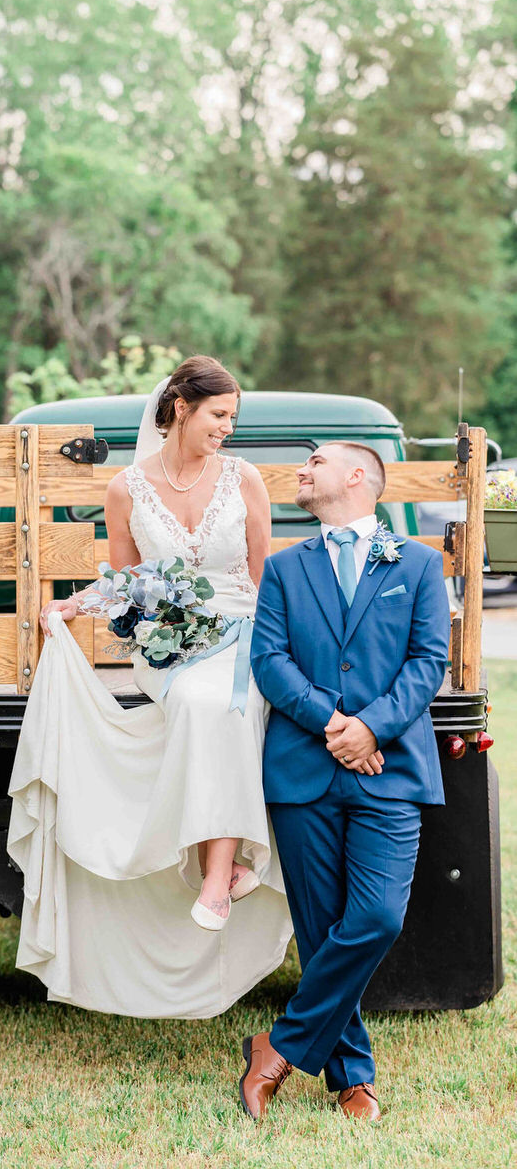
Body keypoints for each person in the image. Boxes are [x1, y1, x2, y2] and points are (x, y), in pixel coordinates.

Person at [6, 357, 292, 1018]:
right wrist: (71, 608)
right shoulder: (126, 489)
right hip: (169, 646)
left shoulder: (243, 479)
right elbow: (126, 578)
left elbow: (261, 577)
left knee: (223, 701)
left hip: (242, 630)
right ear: (182, 408)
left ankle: (219, 876)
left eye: (233, 418)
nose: (228, 428)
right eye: (220, 415)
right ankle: (235, 866)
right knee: (193, 697)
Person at [240, 443, 450, 1121]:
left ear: (358, 477)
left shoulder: (417, 563)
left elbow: (428, 662)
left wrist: (371, 728)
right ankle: (352, 1077)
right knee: (322, 926)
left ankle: (276, 1049)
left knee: (377, 916)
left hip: (391, 769)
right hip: (303, 769)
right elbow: (268, 661)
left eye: (316, 462)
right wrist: (334, 724)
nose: (302, 471)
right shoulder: (282, 568)